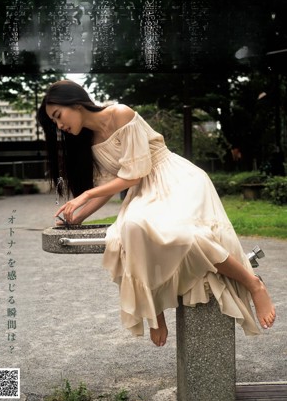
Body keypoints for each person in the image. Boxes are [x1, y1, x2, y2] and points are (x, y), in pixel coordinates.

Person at [37, 79, 276, 347]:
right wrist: (79, 216)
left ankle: (254, 284)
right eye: (54, 122)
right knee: (132, 229)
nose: (59, 126)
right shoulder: (89, 141)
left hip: (175, 180)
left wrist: (85, 195)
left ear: (76, 103)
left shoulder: (120, 113)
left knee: (187, 235)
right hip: (142, 192)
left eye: (58, 116)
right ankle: (154, 311)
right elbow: (108, 186)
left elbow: (135, 172)